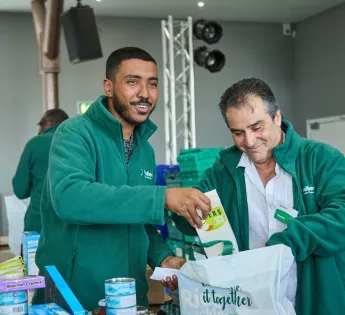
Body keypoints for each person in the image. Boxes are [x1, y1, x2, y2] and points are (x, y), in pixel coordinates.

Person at [32, 47, 211, 310]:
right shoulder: (75, 133)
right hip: (74, 298)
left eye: (152, 84)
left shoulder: (145, 149)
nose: (145, 93)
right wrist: (162, 197)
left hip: (129, 298)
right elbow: (69, 197)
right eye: (132, 82)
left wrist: (163, 257)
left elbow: (141, 220)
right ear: (108, 86)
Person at [173, 78, 345, 315]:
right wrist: (183, 211)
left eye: (257, 127)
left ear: (277, 117)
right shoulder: (224, 171)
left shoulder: (320, 159)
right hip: (253, 304)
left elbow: (341, 215)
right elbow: (193, 220)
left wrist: (290, 239)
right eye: (238, 133)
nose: (250, 141)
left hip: (315, 300)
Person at [12, 109, 69, 233]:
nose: (40, 130)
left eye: (41, 124)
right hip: (71, 225)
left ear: (52, 122)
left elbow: (20, 190)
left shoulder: (34, 144)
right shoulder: (78, 142)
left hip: (39, 223)